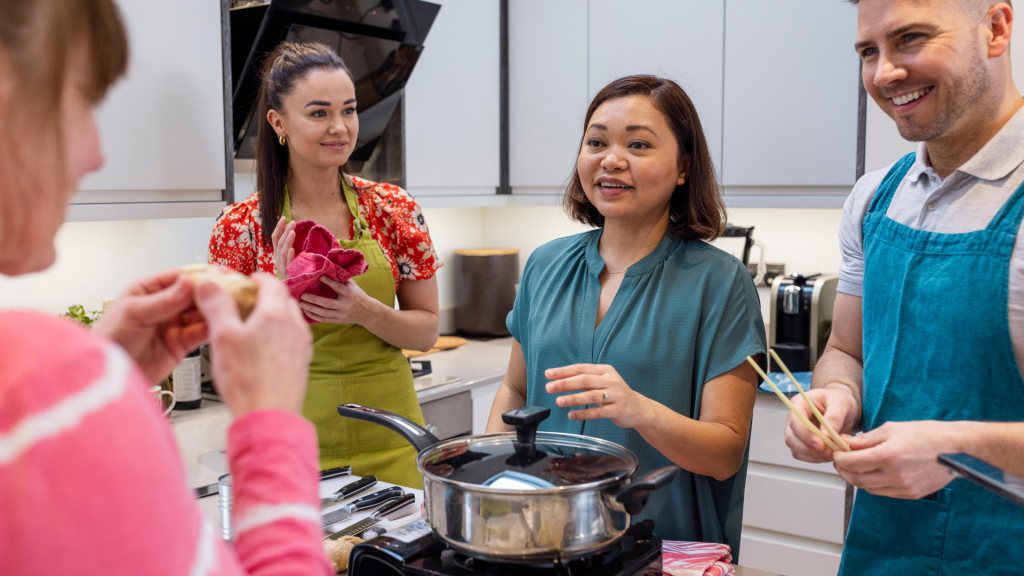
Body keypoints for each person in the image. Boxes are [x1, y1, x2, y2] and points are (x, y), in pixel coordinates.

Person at [0, 1, 332, 574]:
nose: (97, 155)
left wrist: (109, 370)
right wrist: (272, 423)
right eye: (83, 101)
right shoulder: (43, 381)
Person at [785, 0, 1024, 573]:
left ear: (995, 29)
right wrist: (838, 398)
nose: (884, 73)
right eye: (869, 51)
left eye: (911, 38)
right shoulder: (874, 199)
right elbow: (846, 351)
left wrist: (959, 451)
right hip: (883, 550)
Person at [485, 75, 767, 553]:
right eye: (596, 142)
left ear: (683, 167)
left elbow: (724, 453)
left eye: (638, 144)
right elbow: (515, 388)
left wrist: (640, 411)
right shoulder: (545, 264)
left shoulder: (719, 283)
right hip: (541, 539)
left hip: (659, 546)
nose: (611, 159)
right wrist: (491, 479)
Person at [209, 42, 440, 488]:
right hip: (296, 446)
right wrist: (277, 297)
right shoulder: (239, 227)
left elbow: (427, 331)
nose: (340, 127)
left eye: (349, 111)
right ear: (278, 122)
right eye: (318, 113)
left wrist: (364, 311)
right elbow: (231, 363)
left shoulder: (393, 208)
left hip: (393, 436)